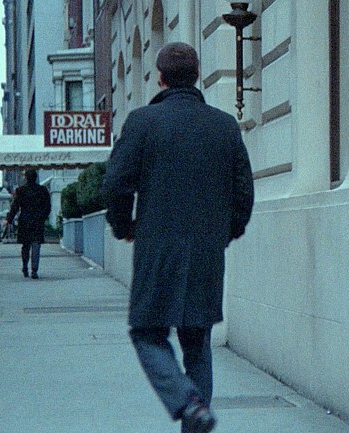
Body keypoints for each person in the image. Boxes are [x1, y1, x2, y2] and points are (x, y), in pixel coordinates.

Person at [101, 42, 254, 433]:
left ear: (160, 78)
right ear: (197, 76)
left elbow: (116, 183)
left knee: (146, 332)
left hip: (157, 250)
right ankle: (196, 415)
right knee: (197, 343)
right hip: (206, 252)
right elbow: (243, 192)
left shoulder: (142, 122)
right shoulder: (224, 126)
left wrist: (124, 227)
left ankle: (188, 404)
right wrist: (225, 233)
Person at [2, 169, 51, 279]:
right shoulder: (42, 190)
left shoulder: (21, 190)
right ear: (36, 177)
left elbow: (15, 206)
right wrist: (43, 217)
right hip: (38, 221)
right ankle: (34, 270)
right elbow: (48, 207)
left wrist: (9, 219)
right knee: (36, 245)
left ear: (26, 178)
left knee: (26, 245)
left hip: (25, 221)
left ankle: (25, 266)